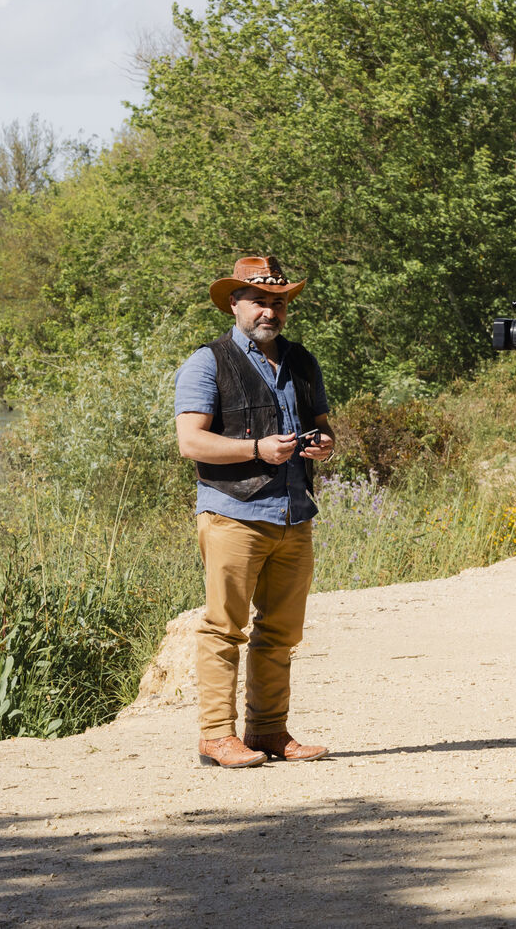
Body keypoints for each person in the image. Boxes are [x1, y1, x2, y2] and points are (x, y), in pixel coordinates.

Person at [174, 255, 336, 768]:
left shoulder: (302, 361)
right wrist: (256, 450)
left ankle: (268, 731)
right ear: (235, 304)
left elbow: (323, 424)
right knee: (224, 627)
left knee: (282, 633)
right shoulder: (207, 362)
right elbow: (190, 442)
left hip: (294, 514)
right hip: (232, 515)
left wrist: (324, 444)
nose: (270, 311)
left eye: (278, 302)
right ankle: (215, 736)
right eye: (260, 301)